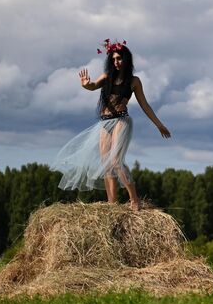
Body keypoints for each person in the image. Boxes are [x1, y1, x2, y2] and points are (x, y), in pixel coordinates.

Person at [53, 40, 171, 210]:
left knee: (116, 161)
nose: (116, 62)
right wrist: (86, 85)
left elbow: (145, 105)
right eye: (114, 59)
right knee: (106, 164)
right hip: (104, 122)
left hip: (121, 120)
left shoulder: (134, 81)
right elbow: (92, 86)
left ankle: (134, 200)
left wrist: (159, 125)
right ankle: (111, 204)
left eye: (120, 59)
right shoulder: (106, 77)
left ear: (126, 60)